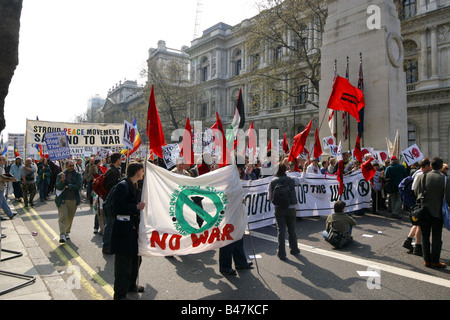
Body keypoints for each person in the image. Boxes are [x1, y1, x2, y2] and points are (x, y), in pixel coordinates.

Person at [111, 162, 145, 300]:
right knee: (123, 265)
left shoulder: (136, 185)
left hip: (132, 230)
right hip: (123, 232)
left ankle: (131, 285)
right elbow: (117, 208)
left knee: (136, 259)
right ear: (137, 171)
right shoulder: (122, 186)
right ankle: (119, 295)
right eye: (142, 171)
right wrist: (135, 207)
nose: (143, 173)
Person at [414, 157, 450, 268]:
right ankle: (435, 260)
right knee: (436, 237)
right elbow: (448, 197)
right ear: (440, 167)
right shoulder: (444, 179)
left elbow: (416, 192)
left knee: (425, 236)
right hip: (437, 212)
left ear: (431, 165)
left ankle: (426, 260)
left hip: (423, 210)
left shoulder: (422, 176)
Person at [267, 163, 300, 260]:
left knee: (281, 230)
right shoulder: (291, 179)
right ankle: (294, 249)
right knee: (292, 229)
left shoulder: (272, 181)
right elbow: (301, 180)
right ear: (285, 170)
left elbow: (269, 197)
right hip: (291, 207)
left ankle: (282, 253)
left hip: (279, 208)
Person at [403, 158, 431, 255]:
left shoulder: (418, 173)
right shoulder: (421, 174)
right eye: (430, 166)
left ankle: (408, 240)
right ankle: (418, 247)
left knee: (417, 223)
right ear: (426, 166)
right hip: (418, 202)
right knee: (420, 224)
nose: (431, 168)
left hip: (415, 201)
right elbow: (415, 189)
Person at [55, 160, 82, 243]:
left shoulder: (78, 175)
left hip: (73, 199)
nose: (72, 167)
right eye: (70, 166)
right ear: (66, 166)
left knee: (70, 217)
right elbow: (58, 187)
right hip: (63, 200)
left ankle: (67, 232)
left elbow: (78, 185)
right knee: (63, 217)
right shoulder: (61, 175)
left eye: (73, 165)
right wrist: (62, 181)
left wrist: (69, 186)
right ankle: (62, 234)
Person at [102, 152, 124, 254]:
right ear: (117, 160)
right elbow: (110, 187)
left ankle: (110, 245)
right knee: (110, 225)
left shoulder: (114, 170)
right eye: (120, 159)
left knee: (112, 224)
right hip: (111, 201)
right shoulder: (112, 172)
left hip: (112, 200)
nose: (121, 161)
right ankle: (106, 246)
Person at [0, 155, 17, 219]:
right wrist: (11, 179)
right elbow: (1, 178)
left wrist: (9, 179)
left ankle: (10, 214)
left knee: (4, 202)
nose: (5, 161)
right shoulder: (0, 168)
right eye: (4, 159)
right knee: (1, 202)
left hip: (1, 187)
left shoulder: (2, 167)